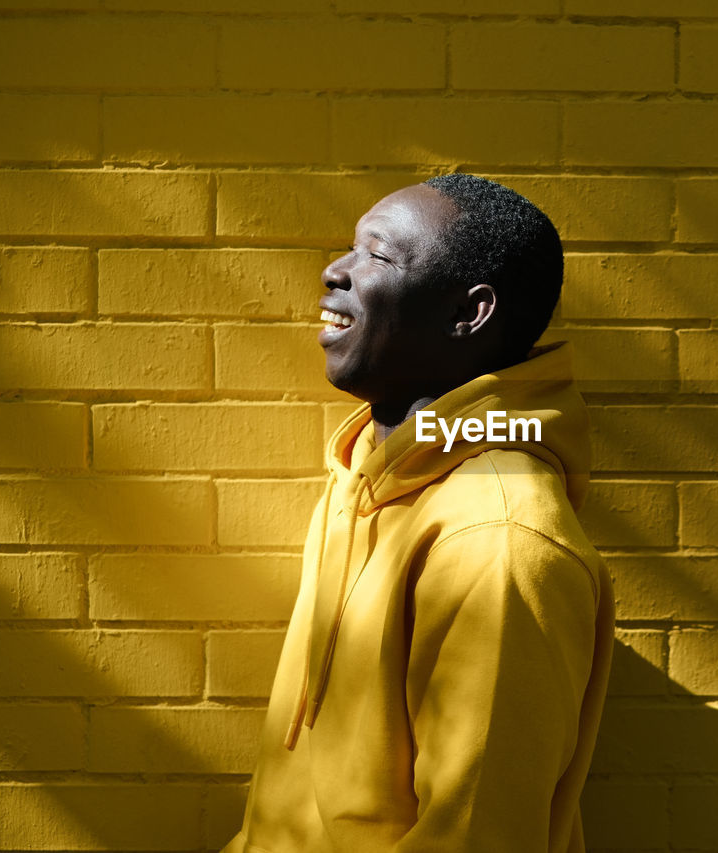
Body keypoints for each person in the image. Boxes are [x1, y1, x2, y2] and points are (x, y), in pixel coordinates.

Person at [222, 174, 615, 853]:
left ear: (470, 312)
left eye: (377, 254)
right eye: (351, 247)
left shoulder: (498, 541)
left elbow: (477, 835)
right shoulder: (370, 477)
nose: (336, 271)